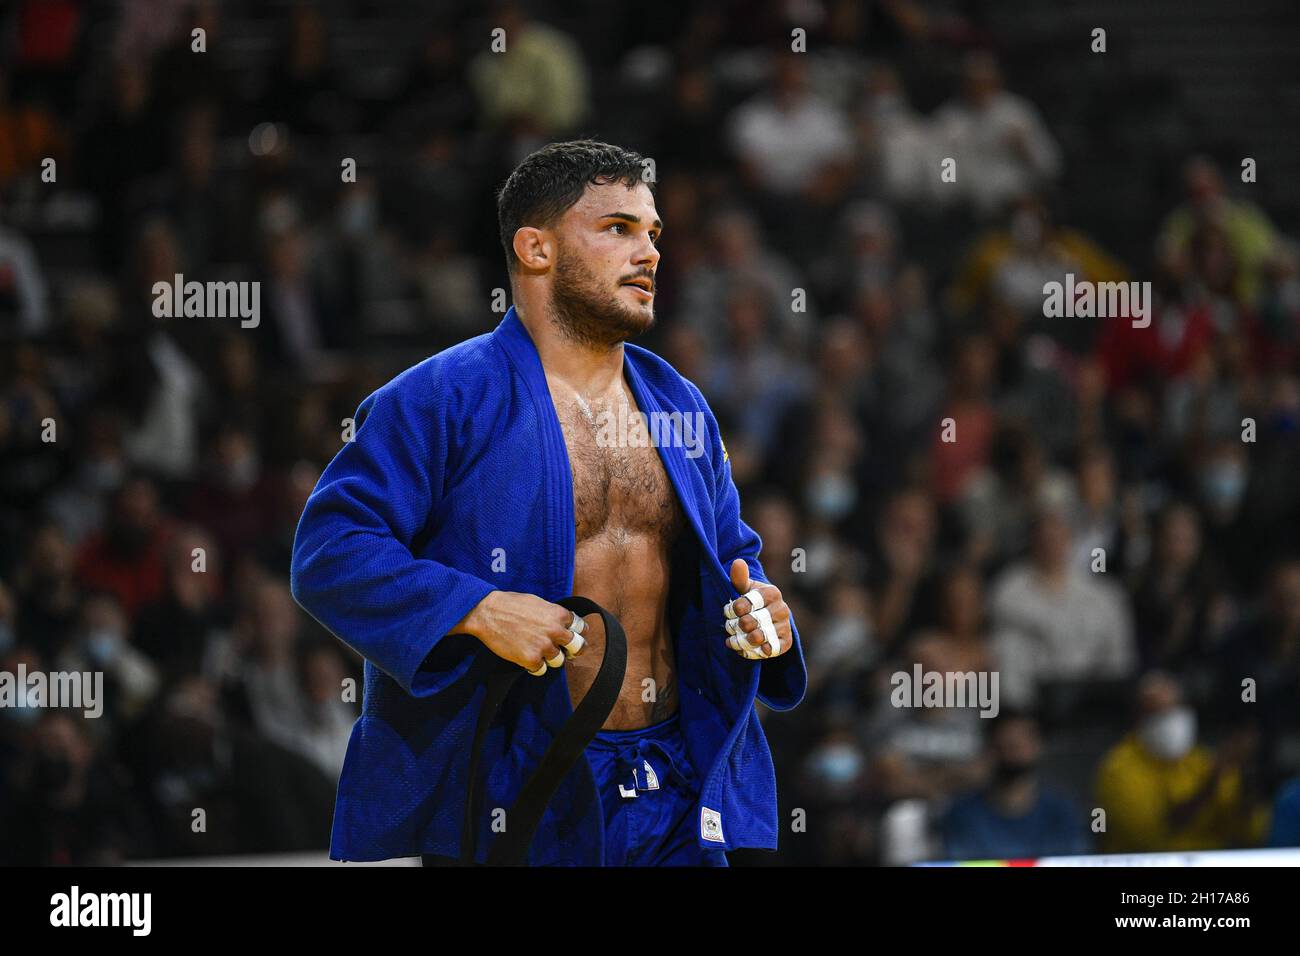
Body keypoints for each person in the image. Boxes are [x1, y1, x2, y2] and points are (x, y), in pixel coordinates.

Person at [290, 140, 806, 866]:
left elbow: (734, 559)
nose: (650, 251)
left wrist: (763, 613)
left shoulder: (680, 404)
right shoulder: (442, 398)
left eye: (653, 232)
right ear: (535, 248)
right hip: (520, 783)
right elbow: (329, 554)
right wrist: (477, 610)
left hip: (675, 782)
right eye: (618, 228)